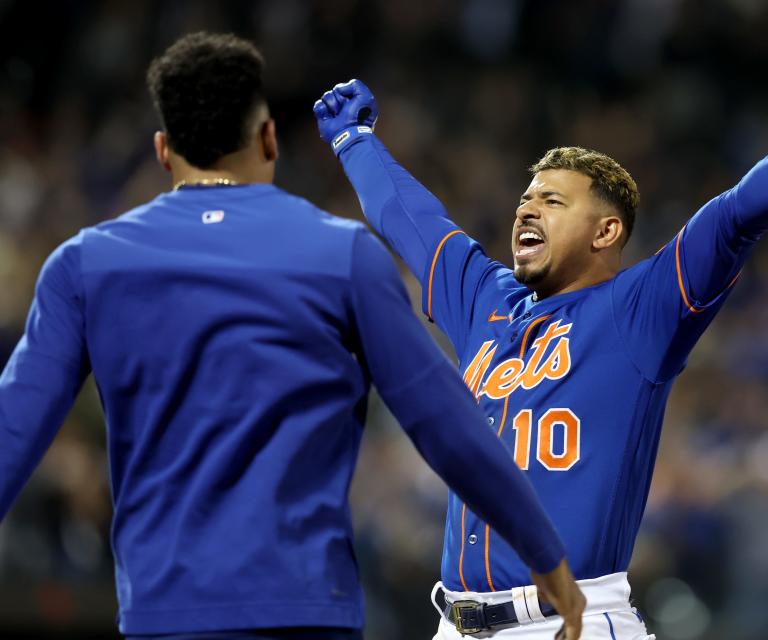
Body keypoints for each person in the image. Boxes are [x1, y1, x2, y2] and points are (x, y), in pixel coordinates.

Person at [0, 32, 588, 640]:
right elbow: (447, 424)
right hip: (306, 614)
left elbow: (12, 430)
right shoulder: (342, 254)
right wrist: (545, 556)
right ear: (268, 141)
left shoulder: (86, 265)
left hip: (163, 616)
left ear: (162, 151)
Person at [313, 63, 768, 639]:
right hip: (455, 624)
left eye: (552, 201)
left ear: (606, 232)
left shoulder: (639, 311)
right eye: (525, 198)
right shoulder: (485, 304)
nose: (525, 210)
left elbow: (735, 218)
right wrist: (353, 141)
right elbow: (411, 220)